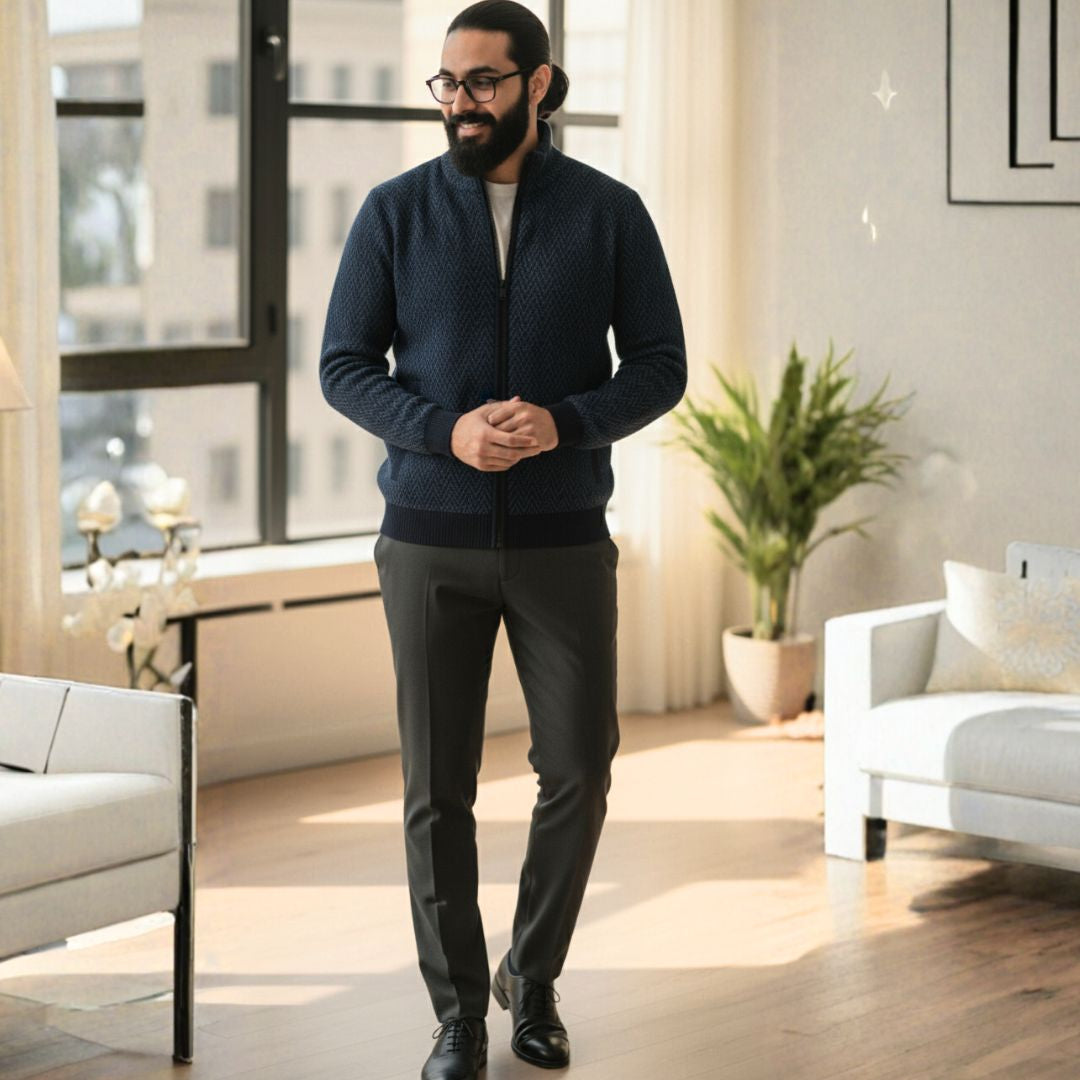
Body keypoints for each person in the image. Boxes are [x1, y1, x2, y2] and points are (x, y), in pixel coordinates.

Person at [319, 3, 686, 1077]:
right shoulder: (394, 213)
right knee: (438, 787)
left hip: (565, 535)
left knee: (580, 764)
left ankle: (533, 977)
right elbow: (346, 365)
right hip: (426, 541)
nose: (460, 103)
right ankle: (456, 1014)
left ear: (539, 85)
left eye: (482, 82)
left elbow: (659, 364)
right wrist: (446, 431)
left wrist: (566, 422)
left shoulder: (609, 213)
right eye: (448, 83)